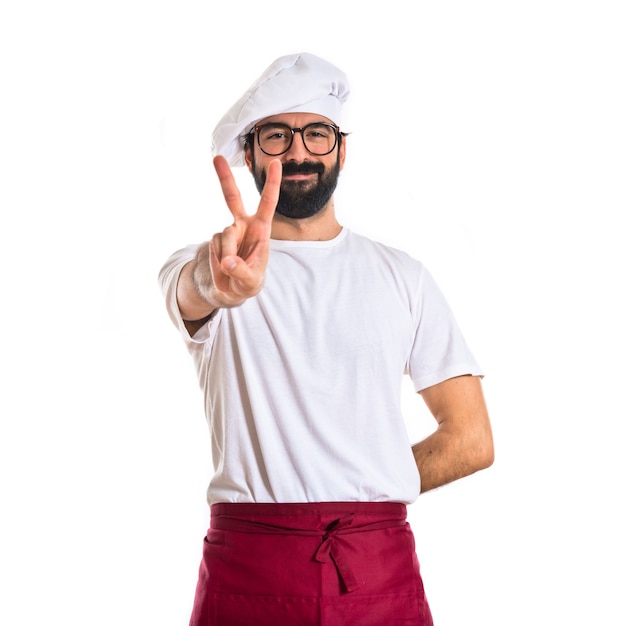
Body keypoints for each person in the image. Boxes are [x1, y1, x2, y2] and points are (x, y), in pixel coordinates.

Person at [158, 52, 494, 626]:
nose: (297, 152)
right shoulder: (211, 265)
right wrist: (219, 287)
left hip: (375, 566)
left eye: (316, 133)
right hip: (250, 572)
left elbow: (471, 439)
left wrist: (365, 484)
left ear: (340, 148)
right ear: (248, 153)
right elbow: (193, 294)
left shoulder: (402, 276)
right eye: (275, 137)